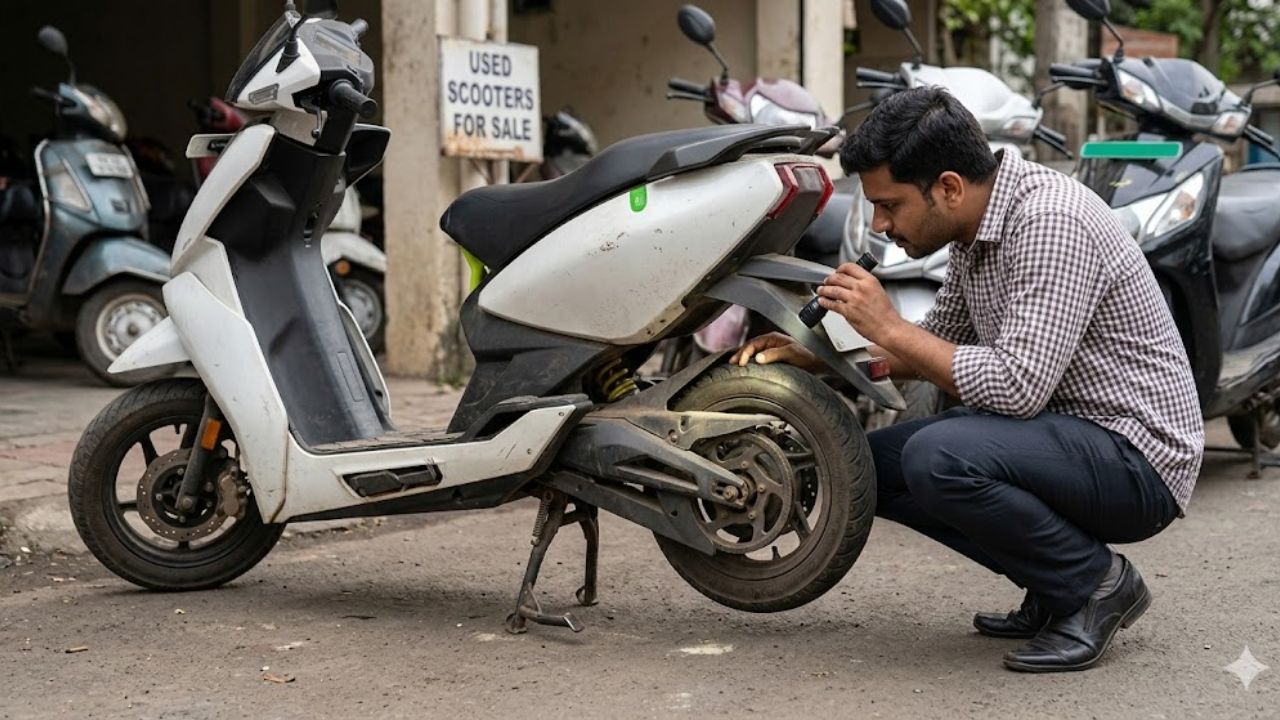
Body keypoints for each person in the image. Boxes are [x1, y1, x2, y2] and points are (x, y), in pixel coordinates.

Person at [732, 86, 1203, 672]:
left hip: (1138, 457)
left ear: (948, 187)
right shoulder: (973, 232)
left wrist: (891, 326)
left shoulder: (1049, 222)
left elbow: (1015, 387)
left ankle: (1094, 586)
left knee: (938, 454)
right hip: (1066, 436)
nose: (880, 224)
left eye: (890, 204)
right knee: (867, 466)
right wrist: (818, 355)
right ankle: (1053, 583)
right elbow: (934, 346)